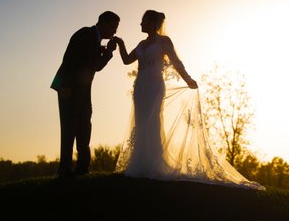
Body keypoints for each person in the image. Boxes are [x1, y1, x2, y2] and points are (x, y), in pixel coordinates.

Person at [113, 10, 264, 190]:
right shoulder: (141, 43)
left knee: (153, 123)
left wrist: (188, 79)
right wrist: (121, 44)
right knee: (141, 123)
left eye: (143, 21)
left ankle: (154, 165)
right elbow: (126, 60)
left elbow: (176, 62)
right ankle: (141, 165)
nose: (140, 24)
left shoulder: (164, 41)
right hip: (140, 88)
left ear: (153, 23)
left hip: (154, 86)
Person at [50, 11, 120, 178]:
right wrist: (64, 86)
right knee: (69, 130)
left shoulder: (94, 40)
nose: (114, 32)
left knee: (84, 127)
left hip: (83, 91)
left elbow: (94, 66)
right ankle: (65, 170)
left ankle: (83, 168)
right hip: (69, 89)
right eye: (113, 27)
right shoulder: (85, 34)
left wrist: (107, 52)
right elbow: (70, 60)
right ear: (102, 22)